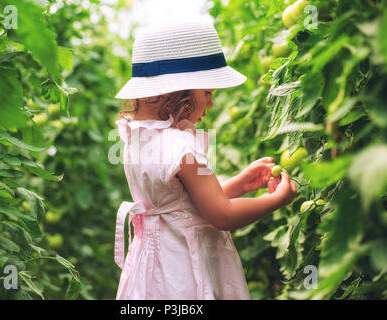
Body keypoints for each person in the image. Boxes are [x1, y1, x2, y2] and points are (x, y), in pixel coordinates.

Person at [113, 17, 297, 300]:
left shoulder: (136, 138)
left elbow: (182, 204)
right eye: (207, 92)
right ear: (175, 93)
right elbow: (220, 214)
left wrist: (240, 183)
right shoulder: (182, 145)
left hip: (152, 270)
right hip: (186, 271)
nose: (211, 103)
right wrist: (275, 200)